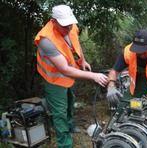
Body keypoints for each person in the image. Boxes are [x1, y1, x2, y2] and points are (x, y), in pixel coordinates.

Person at [34, 5, 108, 148]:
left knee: (70, 100)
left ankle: (69, 124)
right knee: (59, 111)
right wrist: (92, 76)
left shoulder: (70, 26)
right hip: (53, 78)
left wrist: (83, 60)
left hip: (67, 75)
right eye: (65, 26)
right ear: (53, 22)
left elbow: (75, 43)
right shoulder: (47, 40)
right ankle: (65, 144)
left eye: (70, 25)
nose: (68, 29)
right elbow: (64, 70)